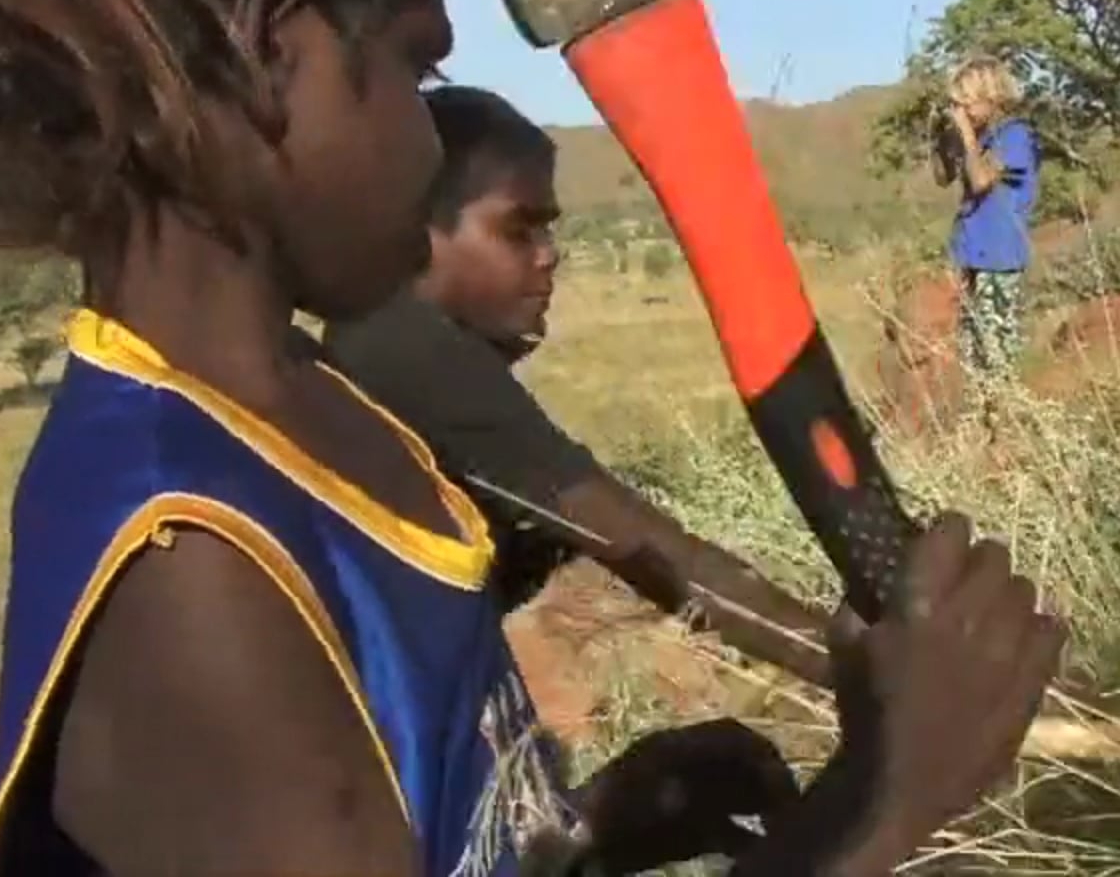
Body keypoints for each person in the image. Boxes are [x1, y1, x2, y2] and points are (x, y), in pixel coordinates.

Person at [0, 0, 1067, 875]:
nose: (436, 135)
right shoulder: (192, 567)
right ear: (268, 39)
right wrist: (878, 811)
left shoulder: (327, 416)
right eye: (422, 69)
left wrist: (577, 838)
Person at [319, 84, 832, 686]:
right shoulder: (407, 350)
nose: (549, 257)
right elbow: (647, 550)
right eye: (519, 231)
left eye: (549, 232)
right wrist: (849, 666)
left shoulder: (375, 338)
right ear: (422, 233)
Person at [937, 55, 1040, 376]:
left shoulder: (1015, 136)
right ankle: (984, 415)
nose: (961, 112)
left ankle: (1006, 413)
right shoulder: (979, 139)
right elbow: (942, 178)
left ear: (991, 98)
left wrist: (967, 138)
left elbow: (981, 181)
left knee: (997, 353)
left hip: (1000, 256)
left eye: (966, 103)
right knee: (972, 352)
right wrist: (941, 138)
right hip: (973, 254)